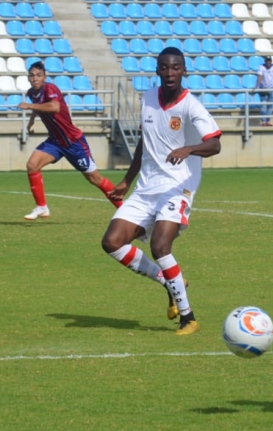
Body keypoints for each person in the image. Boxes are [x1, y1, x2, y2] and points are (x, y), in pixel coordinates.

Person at [100, 47, 221, 336]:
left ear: (184, 71)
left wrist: (189, 148)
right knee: (112, 242)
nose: (170, 73)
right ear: (157, 70)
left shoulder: (191, 106)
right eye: (164, 67)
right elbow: (146, 142)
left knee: (159, 246)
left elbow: (215, 144)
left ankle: (188, 317)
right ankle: (169, 281)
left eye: (175, 67)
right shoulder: (148, 99)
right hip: (146, 188)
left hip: (178, 187)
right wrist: (128, 180)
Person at [16, 61, 121, 220]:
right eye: (32, 76)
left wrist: (30, 107)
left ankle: (124, 208)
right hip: (55, 142)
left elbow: (54, 107)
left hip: (73, 142)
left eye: (38, 75)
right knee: (32, 165)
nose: (35, 78)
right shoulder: (32, 93)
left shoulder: (50, 89)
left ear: (45, 76)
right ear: (28, 78)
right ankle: (42, 207)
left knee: (95, 178)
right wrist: (31, 121)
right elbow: (39, 106)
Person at [254, 57, 273, 127]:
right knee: (263, 105)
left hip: (272, 88)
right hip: (263, 88)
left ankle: (267, 121)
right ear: (265, 61)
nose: (268, 62)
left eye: (269, 61)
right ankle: (263, 121)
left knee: (270, 106)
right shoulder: (261, 67)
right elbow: (260, 77)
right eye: (267, 61)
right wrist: (256, 86)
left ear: (271, 61)